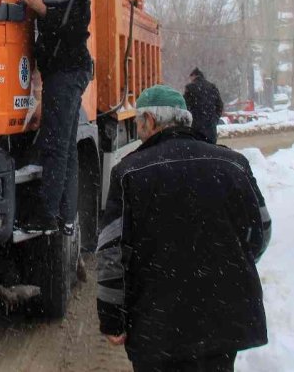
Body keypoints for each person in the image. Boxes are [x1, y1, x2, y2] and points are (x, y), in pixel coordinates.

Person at [96, 84, 271, 372]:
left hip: (158, 329)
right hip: (222, 325)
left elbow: (111, 257)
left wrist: (112, 318)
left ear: (150, 121)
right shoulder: (233, 164)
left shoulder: (129, 174)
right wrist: (228, 266)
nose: (138, 130)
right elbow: (260, 231)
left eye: (139, 122)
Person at [23, 0, 92, 233]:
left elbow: (71, 28)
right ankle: (66, 215)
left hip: (67, 72)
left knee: (56, 145)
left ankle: (48, 214)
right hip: (61, 72)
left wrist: (38, 6)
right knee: (67, 147)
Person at [183, 67, 224, 144]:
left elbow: (185, 106)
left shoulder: (190, 88)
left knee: (198, 152)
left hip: (195, 128)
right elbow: (220, 106)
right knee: (211, 151)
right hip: (210, 127)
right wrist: (214, 119)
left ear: (194, 76)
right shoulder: (212, 87)